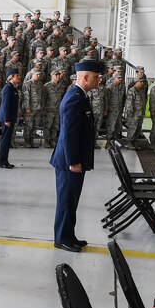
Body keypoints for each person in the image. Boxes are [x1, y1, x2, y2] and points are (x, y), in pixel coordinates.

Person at [50, 60, 103, 252]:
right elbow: (69, 133)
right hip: (69, 162)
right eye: (96, 77)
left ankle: (69, 235)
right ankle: (62, 238)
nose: (99, 80)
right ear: (86, 77)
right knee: (66, 200)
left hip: (74, 159)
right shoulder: (75, 97)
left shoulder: (80, 95)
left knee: (71, 201)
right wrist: (73, 161)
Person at [0, 68, 21, 169]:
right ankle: (2, 162)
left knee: (7, 140)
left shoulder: (12, 87)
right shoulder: (8, 88)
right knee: (5, 141)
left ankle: (5, 160)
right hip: (7, 119)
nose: (19, 77)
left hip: (10, 118)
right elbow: (5, 105)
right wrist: (7, 119)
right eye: (17, 76)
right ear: (11, 77)